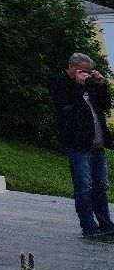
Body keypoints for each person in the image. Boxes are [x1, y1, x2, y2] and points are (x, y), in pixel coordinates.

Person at [49, 52, 114, 239]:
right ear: (71, 66)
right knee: (84, 187)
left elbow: (104, 105)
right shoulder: (59, 81)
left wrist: (102, 86)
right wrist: (78, 86)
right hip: (78, 144)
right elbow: (67, 110)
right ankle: (89, 226)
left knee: (100, 185)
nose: (86, 75)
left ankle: (106, 223)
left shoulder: (90, 84)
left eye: (88, 71)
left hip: (97, 143)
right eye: (82, 71)